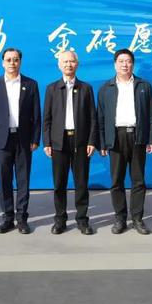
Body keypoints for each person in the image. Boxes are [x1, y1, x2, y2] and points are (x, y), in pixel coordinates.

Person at [97, 49, 152, 235]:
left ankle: (137, 218)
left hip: (137, 136)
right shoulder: (106, 88)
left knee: (138, 180)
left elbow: (151, 114)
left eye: (128, 61)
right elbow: (101, 117)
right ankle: (120, 218)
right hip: (115, 137)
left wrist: (151, 139)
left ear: (133, 64)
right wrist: (102, 142)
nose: (125, 64)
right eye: (121, 61)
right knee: (116, 180)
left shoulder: (143, 86)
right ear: (115, 64)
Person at [0, 48, 41, 234]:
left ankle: (22, 218)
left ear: (20, 62)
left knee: (23, 180)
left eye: (15, 59)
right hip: (2, 140)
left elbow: (36, 115)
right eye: (8, 60)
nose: (12, 63)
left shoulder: (30, 84)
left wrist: (35, 138)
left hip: (23, 139)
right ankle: (7, 218)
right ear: (3, 63)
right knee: (5, 180)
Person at [43, 50, 98, 235]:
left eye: (72, 61)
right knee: (59, 184)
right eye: (65, 62)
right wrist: (47, 142)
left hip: (80, 141)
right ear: (59, 65)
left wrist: (92, 141)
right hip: (58, 142)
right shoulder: (52, 88)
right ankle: (60, 220)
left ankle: (82, 220)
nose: (68, 64)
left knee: (81, 183)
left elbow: (92, 118)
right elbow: (47, 118)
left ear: (77, 64)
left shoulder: (86, 88)